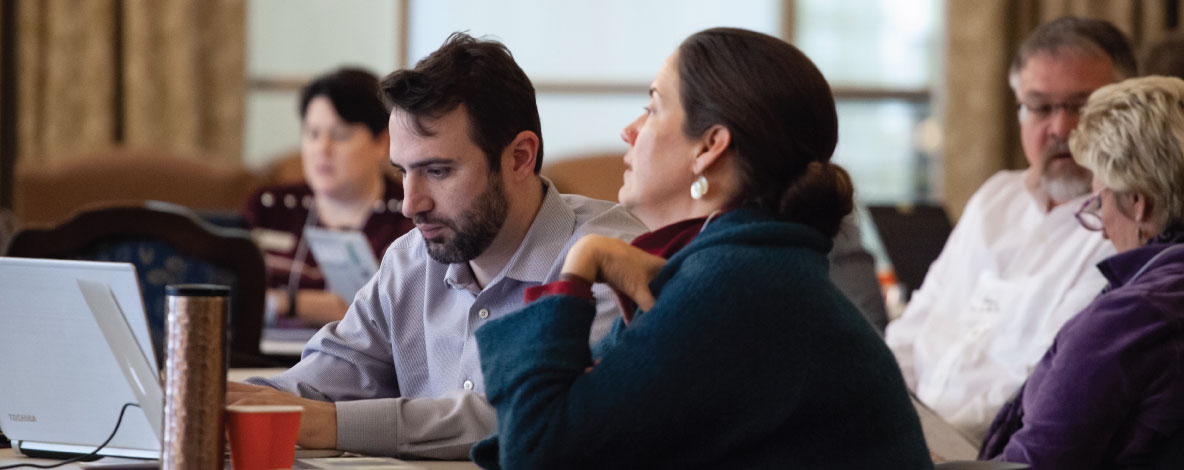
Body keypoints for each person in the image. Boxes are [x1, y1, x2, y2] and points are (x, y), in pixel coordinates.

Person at [470, 27, 931, 469]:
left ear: (709, 146)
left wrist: (582, 261)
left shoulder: (741, 284)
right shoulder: (739, 265)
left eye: (652, 108)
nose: (629, 131)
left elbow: (537, 448)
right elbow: (524, 438)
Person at [227, 34, 646, 458]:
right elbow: (326, 375)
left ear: (520, 157)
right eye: (403, 172)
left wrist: (329, 424)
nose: (411, 203)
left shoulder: (613, 258)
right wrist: (224, 405)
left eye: (437, 171)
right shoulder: (410, 259)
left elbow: (529, 414)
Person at [885, 16, 1135, 440]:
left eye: (1081, 106)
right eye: (1040, 107)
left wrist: (933, 442)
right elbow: (913, 329)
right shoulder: (995, 198)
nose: (1060, 127)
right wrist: (880, 415)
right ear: (1020, 109)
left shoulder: (1124, 225)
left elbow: (1040, 383)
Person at [978, 75, 1184, 468]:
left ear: (1138, 203)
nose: (1102, 225)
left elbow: (1034, 465)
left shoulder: (1126, 321)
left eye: (1098, 199)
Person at [244, 68, 415, 326]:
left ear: (382, 143)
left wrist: (285, 303)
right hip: (266, 361)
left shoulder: (408, 213)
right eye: (312, 134)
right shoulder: (270, 206)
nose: (322, 149)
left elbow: (389, 314)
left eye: (340, 135)